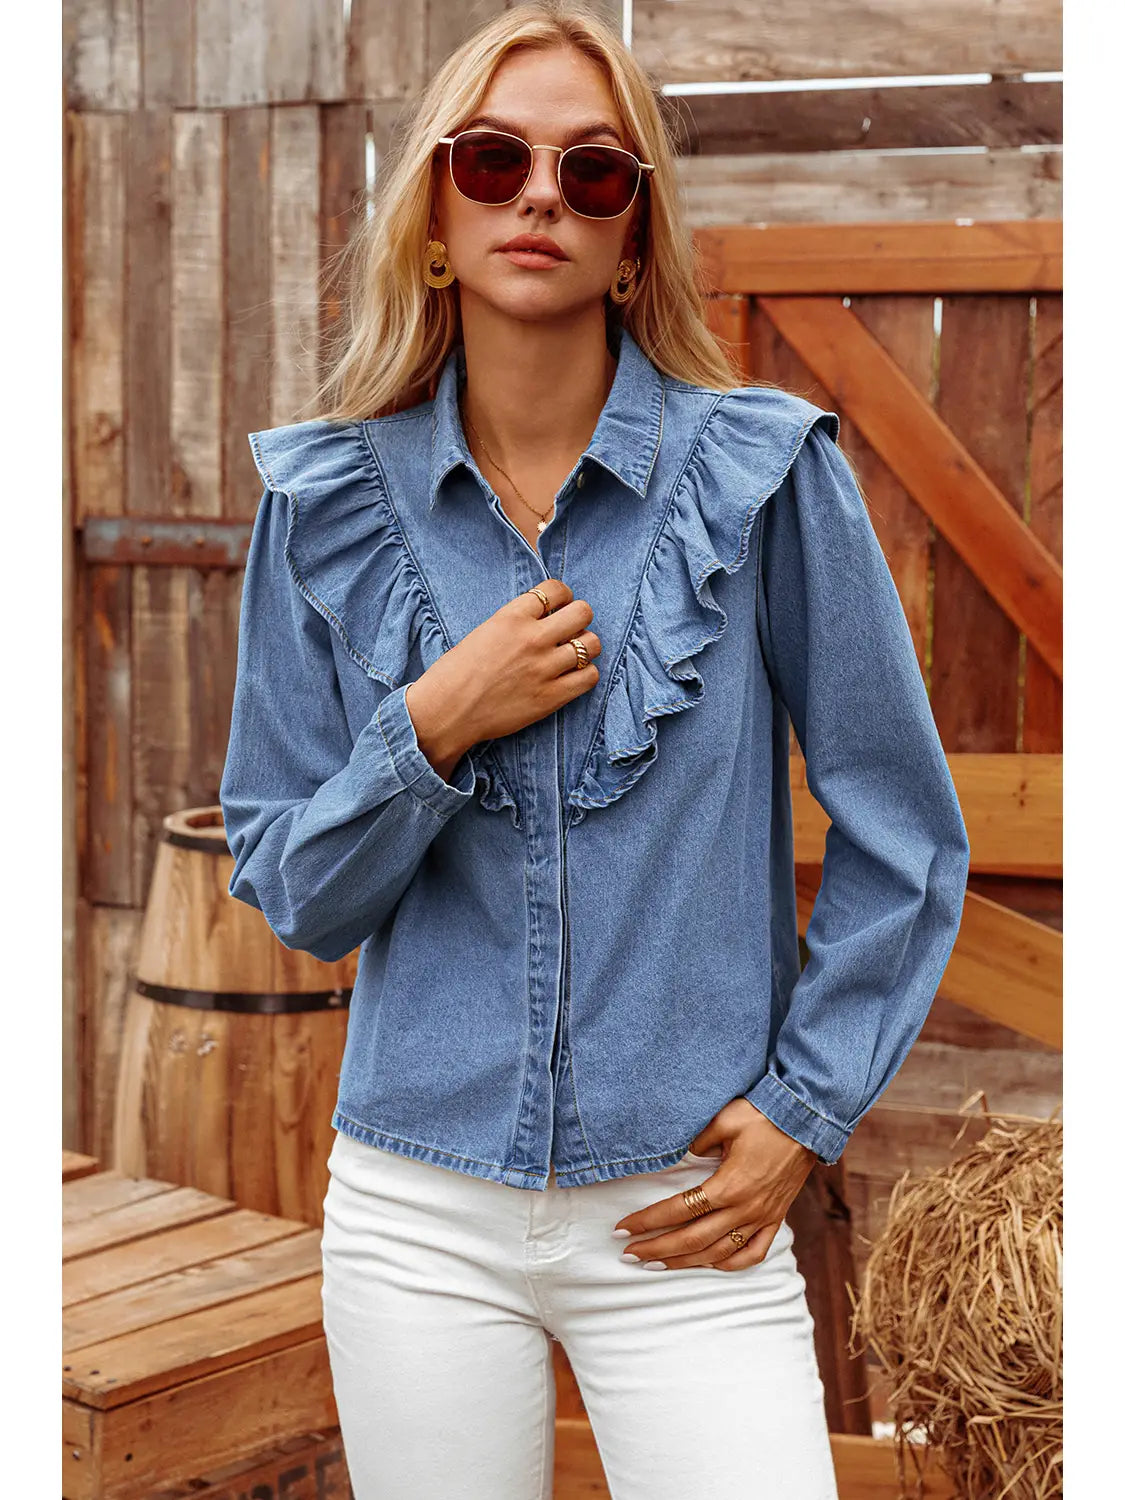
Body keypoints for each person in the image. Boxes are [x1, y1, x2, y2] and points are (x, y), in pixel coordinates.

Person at [218, 4, 970, 1496]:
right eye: (494, 161)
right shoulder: (323, 505)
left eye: (594, 170)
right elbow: (296, 890)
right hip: (415, 1217)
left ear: (633, 238)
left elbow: (905, 829)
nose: (542, 196)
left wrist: (804, 1114)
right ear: (437, 216)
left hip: (688, 1213)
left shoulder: (763, 478)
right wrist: (433, 724)